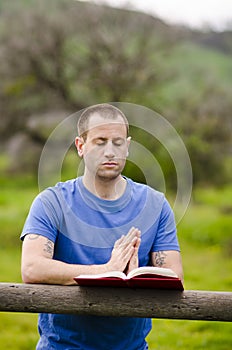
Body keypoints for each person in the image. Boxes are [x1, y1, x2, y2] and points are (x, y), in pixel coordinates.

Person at [21, 103, 183, 350]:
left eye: (117, 143)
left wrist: (137, 278)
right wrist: (106, 269)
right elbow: (32, 268)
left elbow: (175, 275)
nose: (110, 152)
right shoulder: (51, 202)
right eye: (100, 142)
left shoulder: (156, 205)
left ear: (127, 147)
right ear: (81, 146)